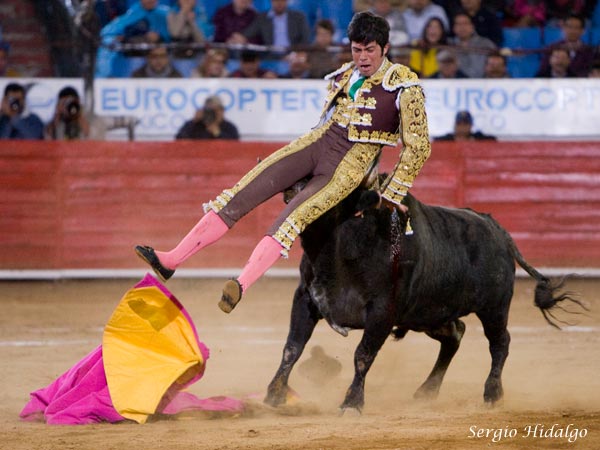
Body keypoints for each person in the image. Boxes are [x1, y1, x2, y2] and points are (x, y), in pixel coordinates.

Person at [135, 11, 431, 313]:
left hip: (348, 166)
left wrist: (391, 195)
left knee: (290, 221)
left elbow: (418, 148)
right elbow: (325, 122)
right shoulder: (344, 74)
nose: (363, 57)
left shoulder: (404, 87)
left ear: (385, 48)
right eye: (357, 49)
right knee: (241, 192)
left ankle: (240, 284)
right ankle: (172, 259)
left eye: (370, 50)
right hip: (315, 143)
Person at [227, 0, 311, 49]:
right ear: (271, 1)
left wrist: (296, 53)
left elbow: (305, 38)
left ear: (287, 1)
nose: (279, 3)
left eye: (282, 0)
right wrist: (237, 38)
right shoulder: (263, 18)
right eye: (276, 0)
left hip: (293, 54)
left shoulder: (299, 17)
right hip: (270, 56)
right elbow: (249, 32)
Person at [448, 11, 497, 78]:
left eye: (465, 23)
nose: (462, 27)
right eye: (458, 24)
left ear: (472, 26)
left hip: (484, 82)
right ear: (453, 28)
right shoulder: (448, 45)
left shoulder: (486, 43)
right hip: (456, 83)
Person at [175, 95, 240, 140]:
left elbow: (235, 146)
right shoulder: (196, 125)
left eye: (215, 110)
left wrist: (218, 133)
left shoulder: (229, 127)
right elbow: (179, 140)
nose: (213, 113)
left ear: (222, 111)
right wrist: (193, 121)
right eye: (210, 110)